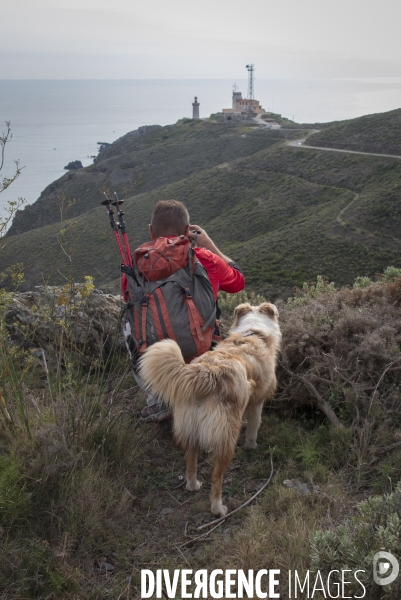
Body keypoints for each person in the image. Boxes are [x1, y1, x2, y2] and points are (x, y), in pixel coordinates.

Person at [123, 199, 245, 423]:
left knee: (128, 325)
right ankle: (206, 393)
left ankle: (159, 398)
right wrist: (209, 244)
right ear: (188, 231)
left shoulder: (135, 268)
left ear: (151, 231)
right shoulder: (205, 258)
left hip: (157, 370)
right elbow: (238, 282)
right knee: (213, 322)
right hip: (201, 358)